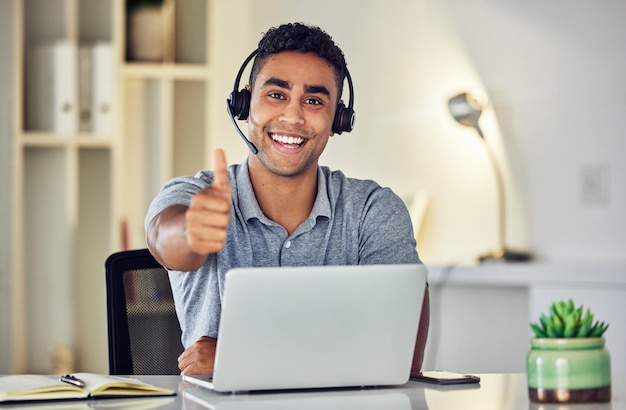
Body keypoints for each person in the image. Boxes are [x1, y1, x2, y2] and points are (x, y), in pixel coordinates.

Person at [145, 22, 430, 377]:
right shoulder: (194, 195)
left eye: (313, 101)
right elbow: (163, 239)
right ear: (245, 103)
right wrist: (190, 232)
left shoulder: (373, 211)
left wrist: (243, 358)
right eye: (276, 95)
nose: (293, 116)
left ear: (338, 118)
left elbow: (400, 357)